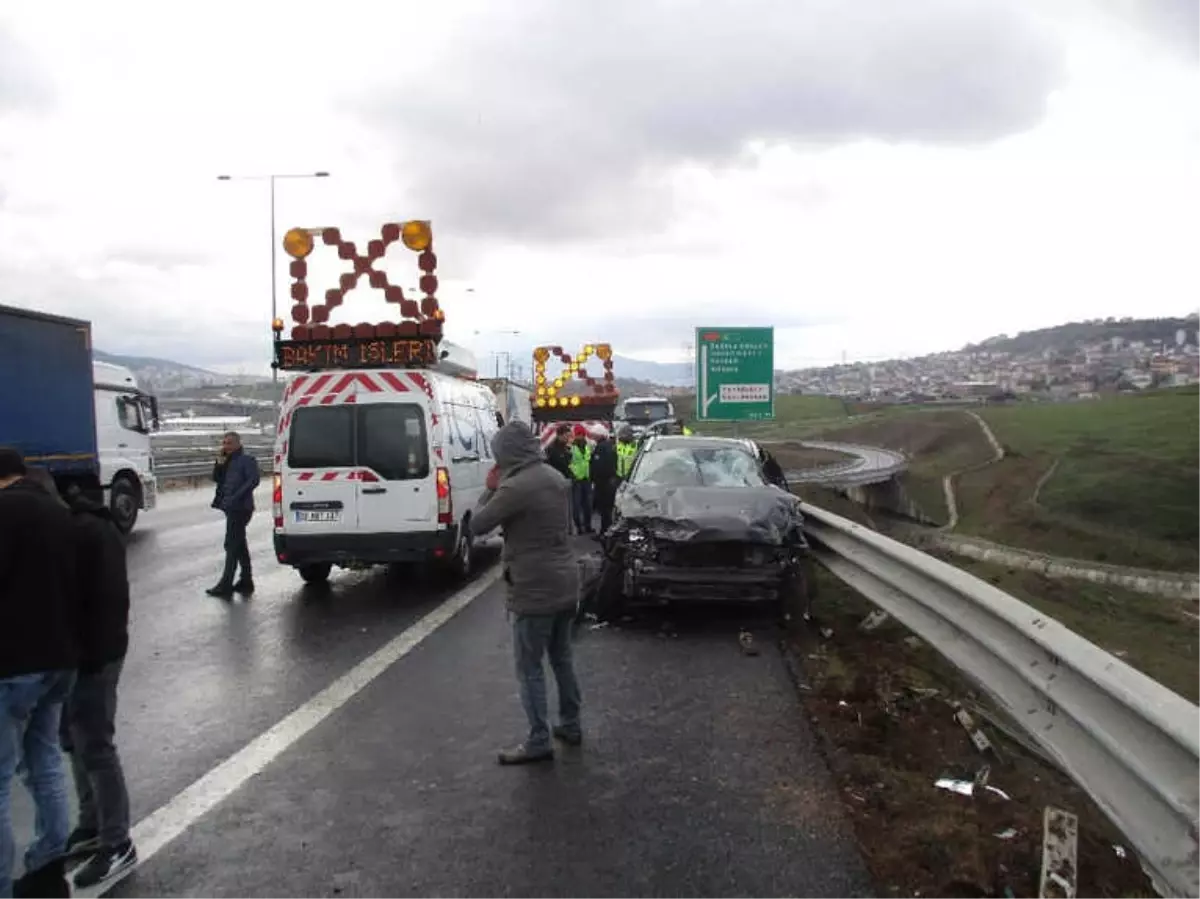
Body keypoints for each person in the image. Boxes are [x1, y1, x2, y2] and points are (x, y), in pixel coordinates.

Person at [470, 422, 582, 765]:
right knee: (561, 657)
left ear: (506, 452)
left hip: (534, 588)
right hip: (566, 580)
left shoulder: (515, 487)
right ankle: (571, 724)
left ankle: (538, 739)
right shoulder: (553, 476)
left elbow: (477, 525)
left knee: (529, 666)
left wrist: (490, 488)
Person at [0, 452, 78, 899]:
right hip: (58, 659)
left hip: (11, 663)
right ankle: (49, 860)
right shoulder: (57, 512)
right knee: (45, 763)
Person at [59, 486, 136, 889]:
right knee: (75, 740)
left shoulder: (84, 534)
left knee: (93, 745)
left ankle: (115, 840)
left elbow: (85, 602)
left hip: (91, 656)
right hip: (84, 654)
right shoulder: (90, 528)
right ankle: (92, 824)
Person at [207, 431, 260, 599]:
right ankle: (246, 580)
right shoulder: (226, 461)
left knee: (231, 544)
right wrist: (219, 462)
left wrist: (236, 496)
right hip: (230, 507)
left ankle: (226, 584)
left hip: (241, 508)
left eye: (229, 443)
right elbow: (217, 479)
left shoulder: (247, 460)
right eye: (224, 443)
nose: (226, 446)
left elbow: (253, 480)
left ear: (238, 444)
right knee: (239, 543)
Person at [589, 427, 618, 534]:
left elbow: (598, 466)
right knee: (607, 510)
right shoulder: (610, 446)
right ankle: (605, 531)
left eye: (594, 435)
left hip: (603, 483)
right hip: (610, 482)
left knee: (604, 510)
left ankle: (605, 532)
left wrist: (593, 478)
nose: (592, 437)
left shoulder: (601, 448)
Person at [567, 425, 594, 535]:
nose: (580, 436)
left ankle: (588, 526)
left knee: (588, 505)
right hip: (576, 479)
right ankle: (579, 527)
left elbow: (589, 461)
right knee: (576, 506)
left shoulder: (588, 446)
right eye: (578, 434)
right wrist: (572, 475)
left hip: (586, 479)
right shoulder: (571, 448)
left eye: (582, 434)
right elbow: (568, 463)